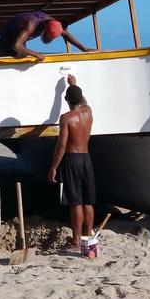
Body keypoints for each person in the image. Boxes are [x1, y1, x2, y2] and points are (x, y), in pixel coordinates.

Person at [48, 74, 96, 252]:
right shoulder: (88, 111)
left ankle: (76, 241)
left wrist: (53, 167)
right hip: (86, 158)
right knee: (88, 201)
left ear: (66, 99)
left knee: (75, 202)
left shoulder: (66, 118)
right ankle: (89, 236)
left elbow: (61, 145)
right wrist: (74, 85)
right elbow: (81, 99)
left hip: (71, 159)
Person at [0, 11, 92, 60]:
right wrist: (36, 54)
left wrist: (84, 49)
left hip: (20, 38)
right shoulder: (31, 24)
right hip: (7, 39)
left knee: (25, 55)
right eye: (48, 36)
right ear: (44, 27)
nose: (48, 39)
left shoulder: (54, 24)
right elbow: (17, 46)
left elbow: (66, 35)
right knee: (21, 54)